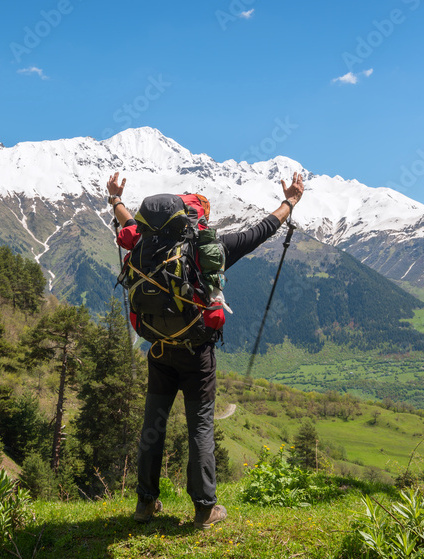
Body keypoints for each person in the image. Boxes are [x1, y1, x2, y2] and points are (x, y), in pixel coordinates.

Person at [106, 170, 306, 529]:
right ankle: (204, 509)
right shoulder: (207, 249)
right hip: (197, 352)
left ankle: (145, 504)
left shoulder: (141, 244)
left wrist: (116, 198)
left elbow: (126, 223)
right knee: (200, 426)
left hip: (159, 349)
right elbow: (260, 231)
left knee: (154, 425)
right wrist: (290, 202)